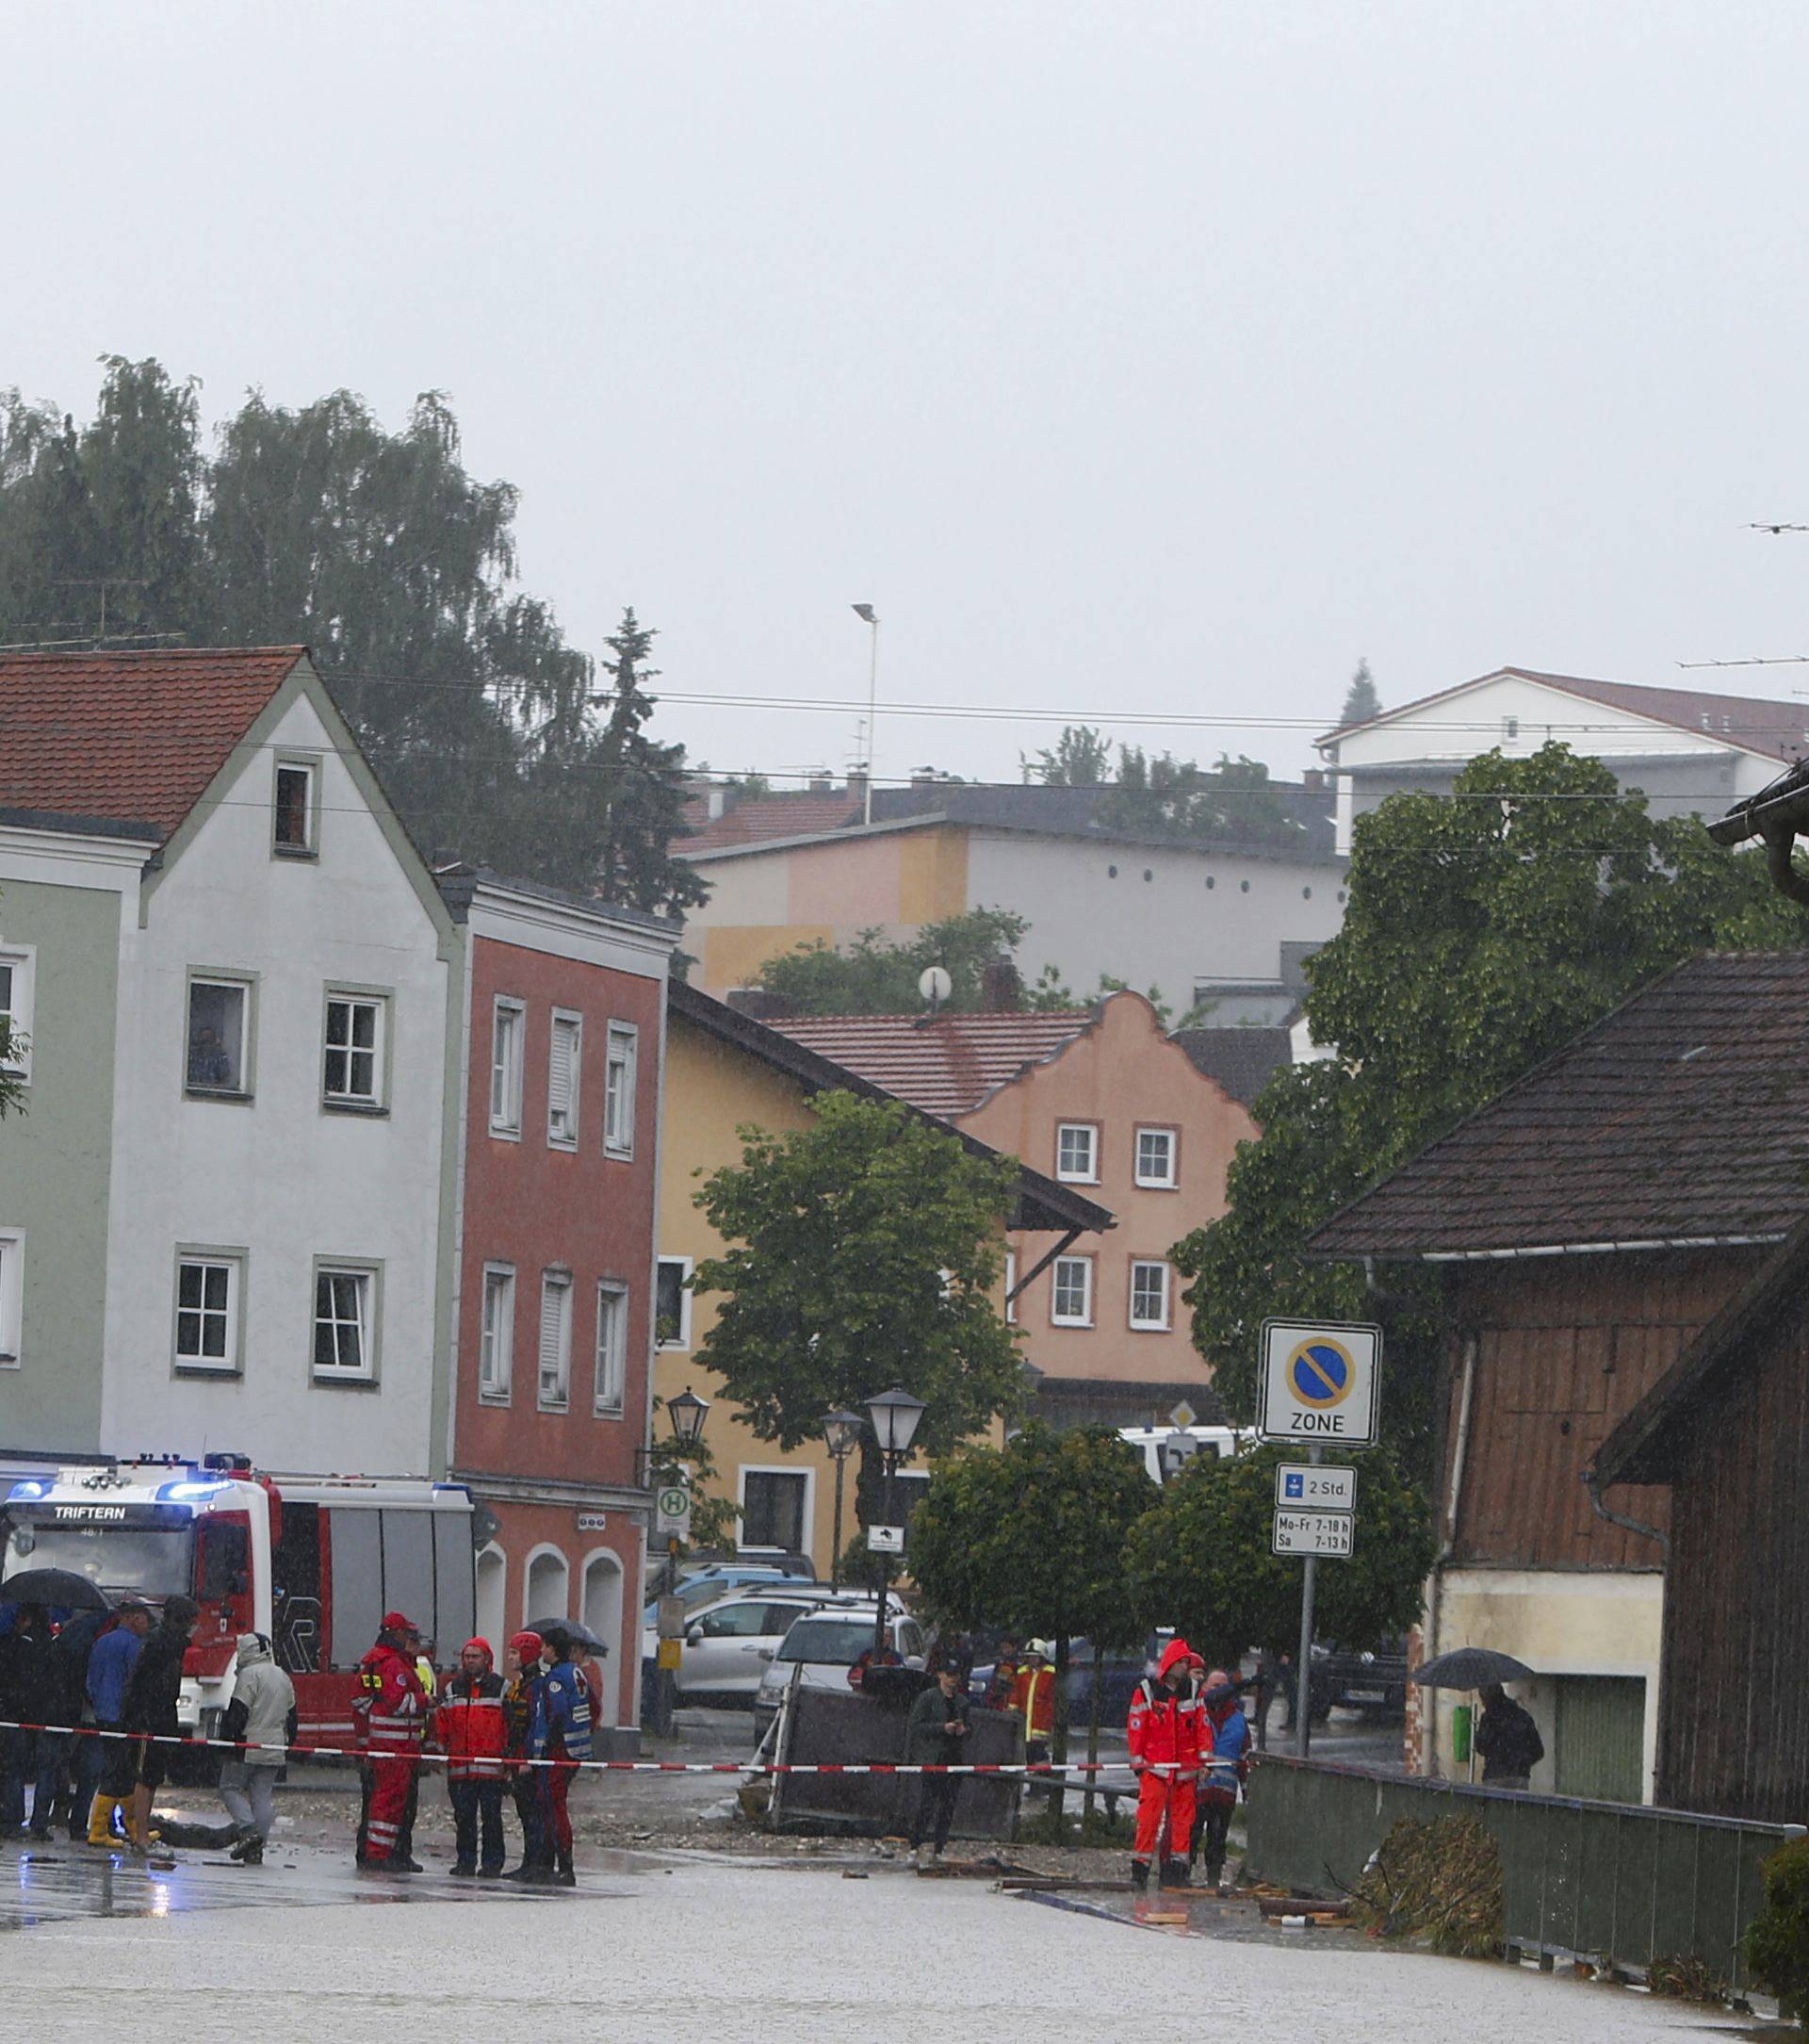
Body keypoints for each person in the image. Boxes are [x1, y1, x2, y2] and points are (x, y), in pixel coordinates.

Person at [121, 1595, 200, 1856]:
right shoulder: (161, 1644)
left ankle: (140, 1832)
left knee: (151, 1777)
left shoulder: (164, 1642)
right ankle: (140, 1835)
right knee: (145, 1777)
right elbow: (142, 1685)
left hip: (159, 1717)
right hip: (150, 1719)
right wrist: (140, 1714)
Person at [1127, 1636, 1205, 1889]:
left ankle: (1176, 1872)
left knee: (1183, 1823)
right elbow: (1137, 1727)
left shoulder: (1193, 1690)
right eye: (1182, 1662)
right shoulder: (1147, 1690)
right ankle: (1140, 1871)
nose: (1186, 1666)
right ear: (1171, 1663)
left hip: (1186, 1770)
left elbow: (1202, 1728)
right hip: (1155, 1768)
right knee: (1148, 1820)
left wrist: (1205, 1761)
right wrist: (1138, 1761)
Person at [353, 1611, 428, 1871]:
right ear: (396, 1633)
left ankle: (379, 1852)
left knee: (382, 1801)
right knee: (389, 1802)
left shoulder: (373, 1661)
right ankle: (380, 1854)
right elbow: (397, 1702)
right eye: (406, 1633)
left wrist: (366, 1739)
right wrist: (424, 1702)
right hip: (395, 1747)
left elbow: (362, 1702)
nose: (410, 1638)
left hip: (383, 1745)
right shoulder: (393, 1664)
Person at [218, 1632, 296, 1866]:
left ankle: (247, 1829)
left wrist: (227, 1743)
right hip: (275, 1743)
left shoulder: (249, 1675)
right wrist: (287, 1744)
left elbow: (237, 1713)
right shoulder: (282, 1675)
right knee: (262, 1795)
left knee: (229, 1787)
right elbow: (293, 1716)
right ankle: (257, 1847)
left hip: (248, 1742)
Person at [84, 1600, 152, 1845]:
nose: (147, 1625)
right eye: (145, 1620)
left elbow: (90, 1679)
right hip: (123, 1716)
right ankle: (101, 1830)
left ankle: (124, 1827)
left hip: (102, 1713)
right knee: (120, 1772)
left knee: (115, 1767)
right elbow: (135, 1681)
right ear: (133, 1618)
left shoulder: (102, 1641)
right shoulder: (134, 1645)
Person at [531, 1626, 594, 1888]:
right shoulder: (577, 1672)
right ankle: (554, 1863)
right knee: (554, 1804)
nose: (541, 1651)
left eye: (544, 1646)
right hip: (578, 1746)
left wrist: (545, 1744)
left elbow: (556, 1711)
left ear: (553, 1649)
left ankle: (564, 1867)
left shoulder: (555, 1677)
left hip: (559, 1749)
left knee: (553, 1806)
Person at [439, 1636, 507, 1876]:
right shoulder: (452, 1688)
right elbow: (442, 1724)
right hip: (460, 1767)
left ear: (487, 1659)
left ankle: (492, 1863)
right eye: (467, 1657)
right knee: (464, 1819)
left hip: (490, 1768)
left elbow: (509, 1727)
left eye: (475, 1656)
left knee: (491, 1819)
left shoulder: (501, 1687)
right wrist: (436, 1750)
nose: (470, 1661)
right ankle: (465, 1861)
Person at [0, 1605, 65, 1838]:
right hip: (48, 1718)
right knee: (46, 1772)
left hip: (16, 1716)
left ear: (25, 1620)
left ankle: (12, 1821)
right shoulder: (55, 1646)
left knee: (13, 1769)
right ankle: (39, 1824)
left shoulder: (11, 1645)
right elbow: (60, 1684)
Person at [1192, 1667, 1250, 1890]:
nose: (1220, 1691)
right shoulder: (1198, 1713)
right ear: (1205, 1688)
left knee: (1217, 1838)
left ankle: (1213, 1879)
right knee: (1192, 1834)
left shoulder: (1238, 1720)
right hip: (1198, 1791)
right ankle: (1183, 1876)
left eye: (1224, 1686)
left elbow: (1245, 1756)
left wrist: (1246, 1790)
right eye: (1215, 1686)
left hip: (1225, 1794)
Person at [905, 1664, 970, 1869]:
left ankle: (939, 1848)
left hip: (954, 1759)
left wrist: (963, 1731)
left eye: (956, 1676)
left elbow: (970, 1728)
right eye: (949, 1675)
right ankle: (914, 1846)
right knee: (927, 1804)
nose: (953, 1679)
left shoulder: (962, 1701)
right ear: (940, 1675)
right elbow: (916, 1726)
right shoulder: (927, 1698)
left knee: (947, 1806)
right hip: (934, 1759)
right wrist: (941, 1728)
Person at [500, 1630, 546, 1880]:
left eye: (515, 1652)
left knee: (533, 1812)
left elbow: (536, 1725)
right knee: (525, 1811)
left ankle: (536, 1863)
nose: (510, 1657)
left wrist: (528, 1758)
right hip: (517, 1755)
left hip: (528, 1759)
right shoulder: (520, 1685)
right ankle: (530, 1862)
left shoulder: (537, 1686)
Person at [1475, 1683, 1544, 1790]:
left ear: (1488, 1699)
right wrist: (1522, 1763)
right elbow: (1538, 1750)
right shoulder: (1522, 1716)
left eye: (1483, 1699)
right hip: (1519, 1776)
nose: (1482, 1703)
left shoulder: (1488, 1718)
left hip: (1494, 1776)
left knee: (1494, 1806)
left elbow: (1481, 1748)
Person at [1008, 1640, 1057, 1769]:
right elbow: (1016, 1694)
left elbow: (1052, 1698)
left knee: (1038, 1751)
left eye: (1035, 1657)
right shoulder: (1022, 1672)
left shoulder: (1050, 1673)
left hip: (1041, 1723)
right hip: (1025, 1722)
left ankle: (1043, 1782)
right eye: (1029, 1657)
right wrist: (1012, 1709)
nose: (1032, 1660)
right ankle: (1036, 1784)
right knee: (1028, 1753)